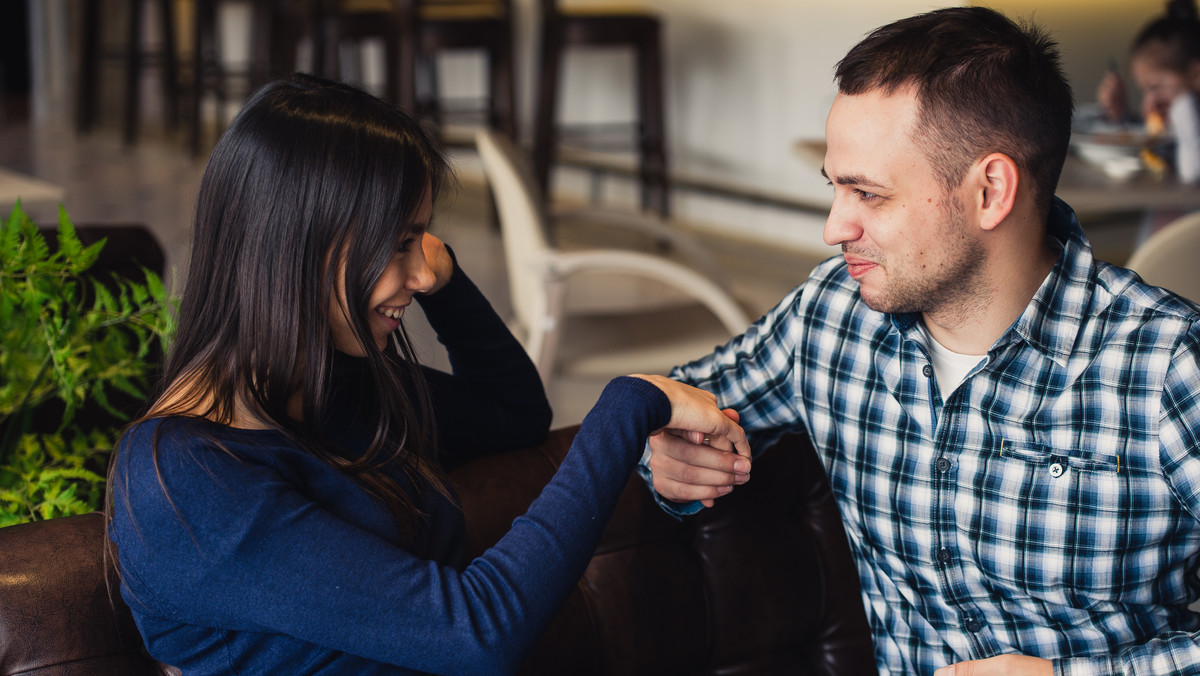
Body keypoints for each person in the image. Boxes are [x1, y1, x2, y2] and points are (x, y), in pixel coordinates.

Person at [105, 73, 749, 675]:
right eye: (397, 244)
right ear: (296, 247)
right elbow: (476, 632)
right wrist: (633, 403)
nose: (417, 272)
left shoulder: (329, 389)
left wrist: (447, 281)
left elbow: (513, 413)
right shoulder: (185, 478)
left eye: (421, 240)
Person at [639, 7, 1200, 676]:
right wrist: (661, 455)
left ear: (990, 191)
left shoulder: (1168, 367)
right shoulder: (830, 314)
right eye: (835, 187)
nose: (833, 227)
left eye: (868, 194)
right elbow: (680, 402)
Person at [1096, 0, 1200, 183]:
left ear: (1196, 75)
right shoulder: (1173, 126)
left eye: (1156, 87)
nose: (1150, 101)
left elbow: (1193, 173)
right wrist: (1120, 116)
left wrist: (1184, 106)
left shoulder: (1188, 116)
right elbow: (1155, 151)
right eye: (1144, 91)